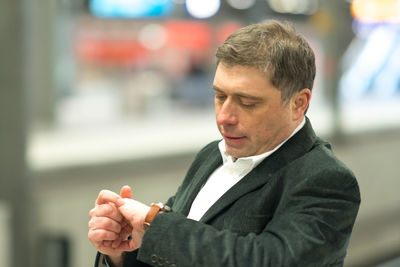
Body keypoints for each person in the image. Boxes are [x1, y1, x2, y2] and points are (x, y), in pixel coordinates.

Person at [88, 20, 360, 267]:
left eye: (247, 103)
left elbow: (272, 260)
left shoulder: (325, 179)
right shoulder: (211, 155)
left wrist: (152, 225)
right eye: (219, 96)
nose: (224, 117)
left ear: (298, 104)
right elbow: (175, 254)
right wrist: (122, 251)